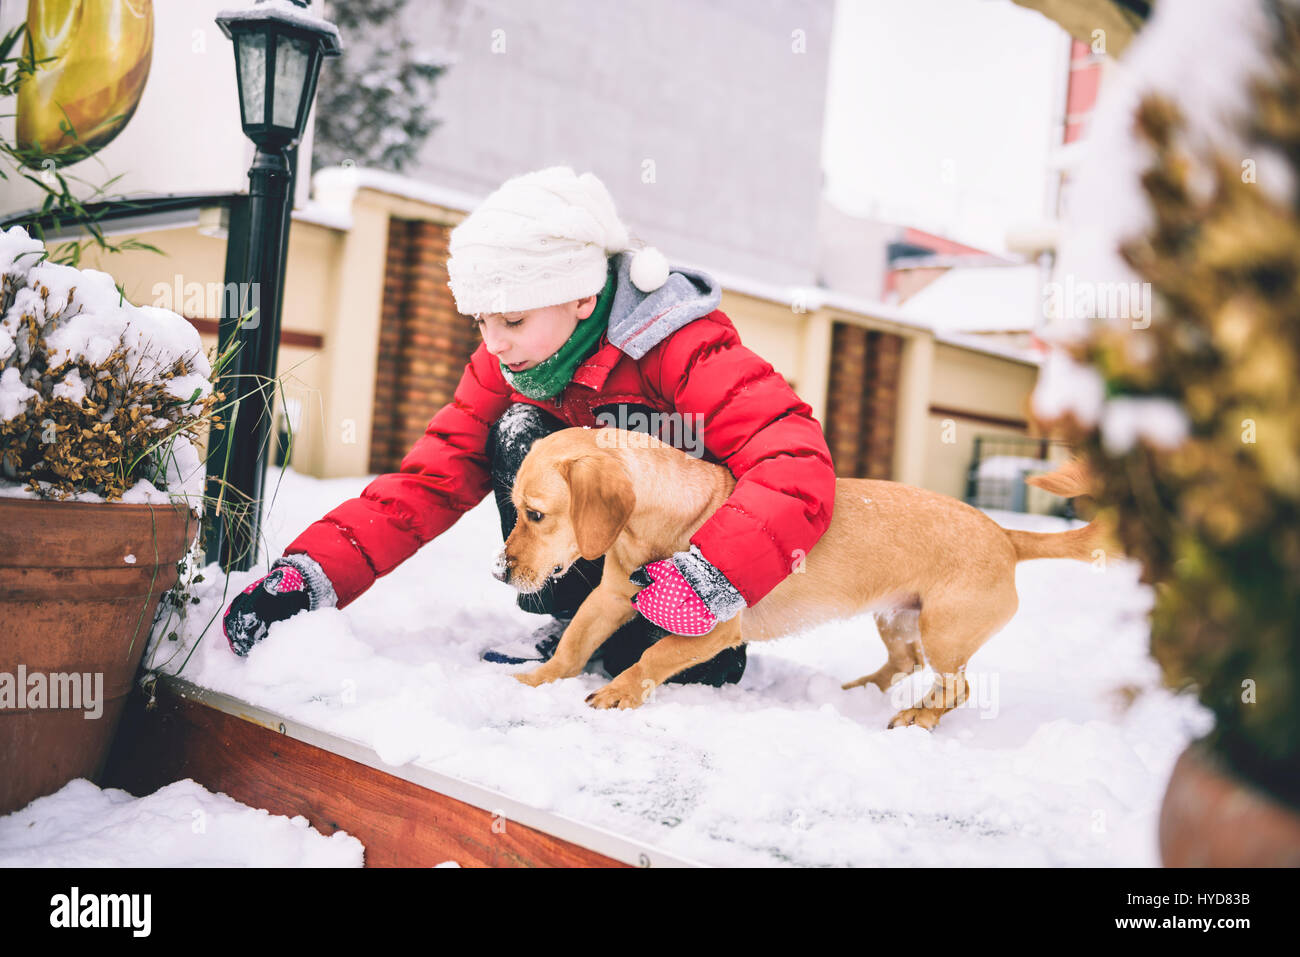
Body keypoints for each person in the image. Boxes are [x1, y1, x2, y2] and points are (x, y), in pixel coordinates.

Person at [221, 166, 837, 688]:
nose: (495, 343)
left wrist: (711, 577)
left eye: (512, 320)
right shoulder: (509, 366)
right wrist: (310, 576)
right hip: (603, 569)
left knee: (648, 660)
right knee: (520, 429)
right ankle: (570, 616)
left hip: (688, 584)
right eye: (482, 322)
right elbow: (431, 479)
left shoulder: (680, 344)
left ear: (583, 300)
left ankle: (672, 635)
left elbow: (794, 464)